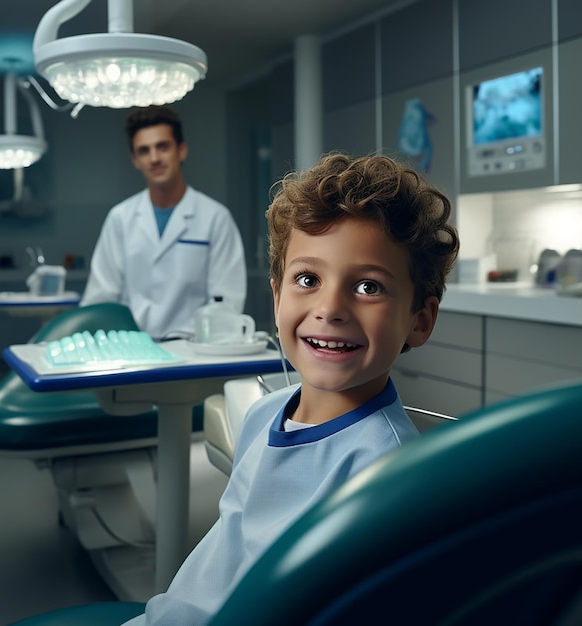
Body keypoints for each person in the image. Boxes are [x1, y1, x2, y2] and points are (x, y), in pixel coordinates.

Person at [123, 153, 460, 625]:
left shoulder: (383, 472)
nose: (330, 307)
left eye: (368, 287)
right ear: (278, 296)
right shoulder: (265, 414)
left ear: (419, 321)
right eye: (308, 279)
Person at [80, 106, 247, 340]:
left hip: (194, 353)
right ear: (135, 160)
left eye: (163, 147)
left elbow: (227, 302)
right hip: (131, 350)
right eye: (144, 150)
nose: (155, 158)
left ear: (182, 150)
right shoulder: (120, 218)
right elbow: (100, 299)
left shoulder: (215, 218)